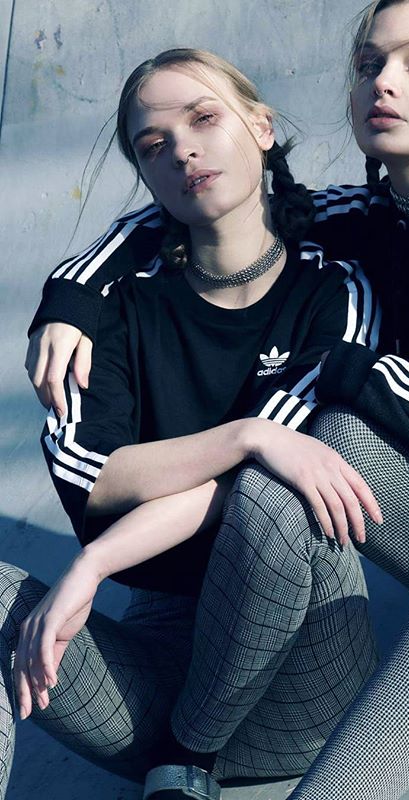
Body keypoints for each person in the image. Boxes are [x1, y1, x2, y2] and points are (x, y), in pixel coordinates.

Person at [25, 1, 409, 798]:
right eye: (367, 65)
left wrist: (379, 381)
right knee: (333, 441)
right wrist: (73, 293)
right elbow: (210, 206)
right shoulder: (380, 227)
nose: (384, 82)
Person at [4, 47, 384, 800]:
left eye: (204, 118)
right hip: (152, 680)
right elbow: (93, 476)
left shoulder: (336, 288)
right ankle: (173, 756)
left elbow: (263, 481)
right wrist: (249, 434)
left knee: (278, 493)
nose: (181, 147)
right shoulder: (109, 308)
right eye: (153, 145)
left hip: (302, 686)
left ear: (262, 127)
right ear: (147, 177)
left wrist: (93, 564)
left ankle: (186, 761)